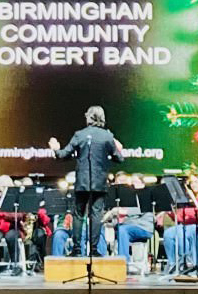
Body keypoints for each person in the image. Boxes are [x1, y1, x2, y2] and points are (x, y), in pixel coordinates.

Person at [48, 105, 125, 256]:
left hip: (82, 182)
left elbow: (63, 155)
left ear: (89, 117)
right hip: (99, 182)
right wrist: (113, 146)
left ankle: (77, 249)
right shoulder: (107, 136)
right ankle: (94, 250)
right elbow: (119, 158)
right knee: (96, 214)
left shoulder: (80, 135)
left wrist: (55, 148)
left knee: (78, 214)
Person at [98, 175, 153, 273]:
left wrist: (121, 211)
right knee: (99, 228)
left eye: (135, 182)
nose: (132, 184)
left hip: (142, 227)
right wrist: (110, 218)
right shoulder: (125, 196)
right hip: (125, 227)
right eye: (131, 182)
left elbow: (139, 210)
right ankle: (101, 260)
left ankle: (123, 263)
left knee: (123, 229)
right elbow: (119, 218)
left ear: (142, 184)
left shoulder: (145, 194)